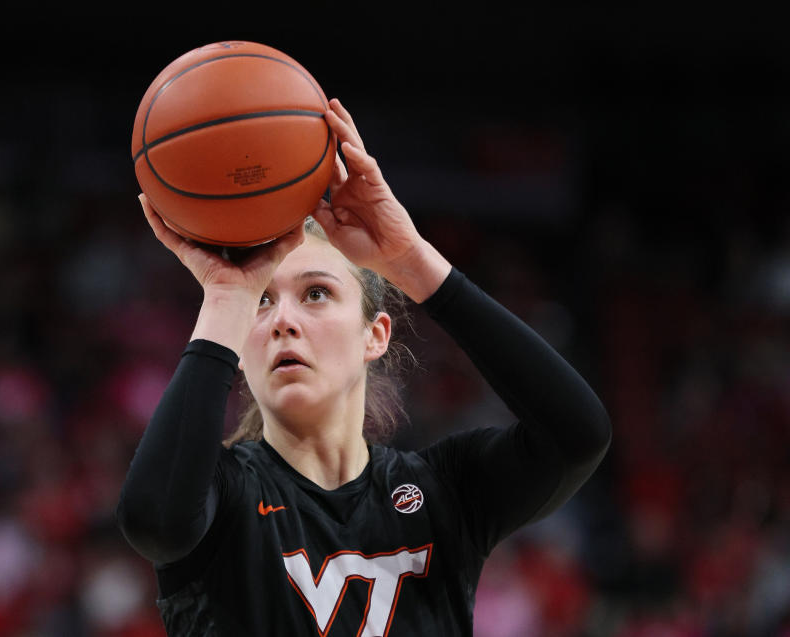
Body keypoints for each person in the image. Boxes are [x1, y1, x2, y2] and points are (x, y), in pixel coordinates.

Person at [117, 98, 612, 636]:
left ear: (374, 336)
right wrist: (226, 297)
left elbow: (578, 434)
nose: (283, 319)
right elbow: (154, 521)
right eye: (263, 300)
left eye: (316, 293)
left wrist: (413, 262)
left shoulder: (444, 492)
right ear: (241, 341)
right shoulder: (222, 498)